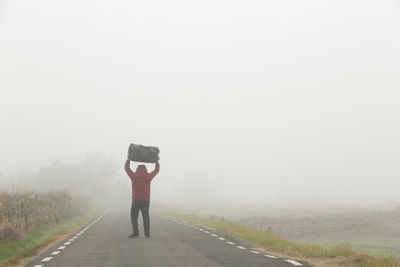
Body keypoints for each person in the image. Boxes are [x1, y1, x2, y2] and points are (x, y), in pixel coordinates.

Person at [125, 153, 160, 238]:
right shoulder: (148, 177)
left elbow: (126, 168)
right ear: (145, 170)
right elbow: (156, 170)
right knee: (146, 217)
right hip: (145, 200)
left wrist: (128, 159)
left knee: (133, 216)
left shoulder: (134, 176)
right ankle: (147, 233)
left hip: (136, 200)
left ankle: (135, 232)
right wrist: (157, 161)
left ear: (137, 170)